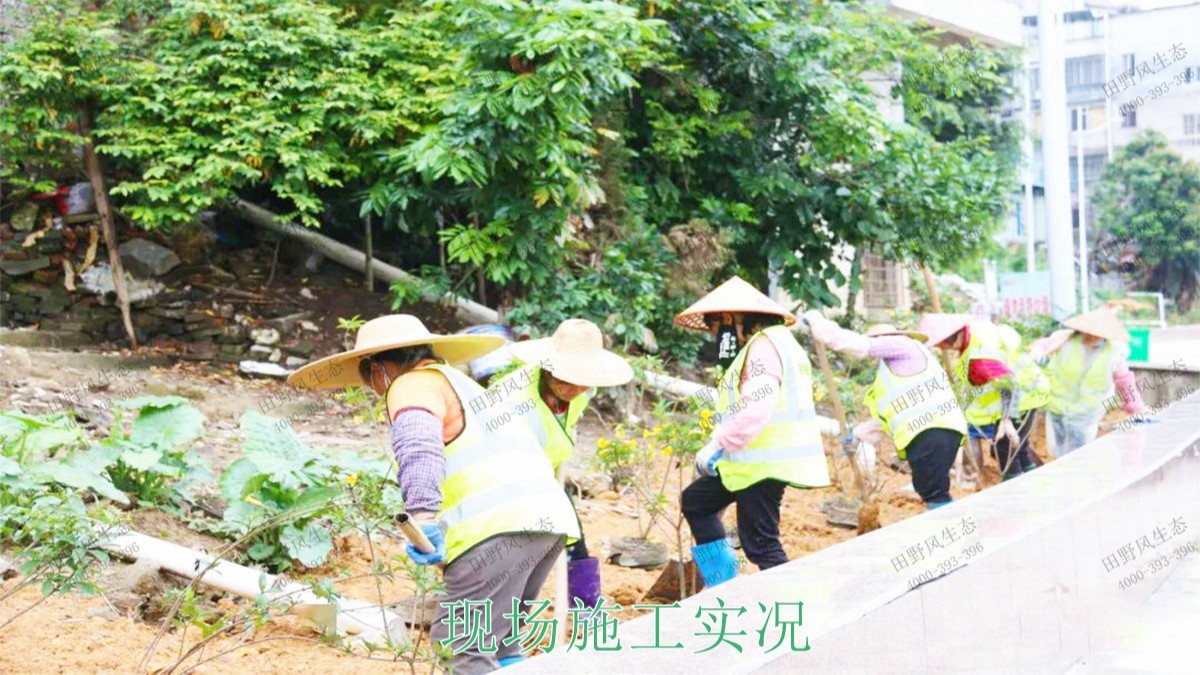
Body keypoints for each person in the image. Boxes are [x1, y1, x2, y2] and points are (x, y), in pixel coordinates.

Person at [288, 314, 580, 674]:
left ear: (378, 369)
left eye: (369, 379)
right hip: (545, 523)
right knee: (501, 645)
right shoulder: (461, 383)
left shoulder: (411, 385)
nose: (375, 389)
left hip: (495, 530)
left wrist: (422, 517)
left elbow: (419, 446)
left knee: (461, 648)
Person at [674, 276, 831, 588]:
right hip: (750, 461)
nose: (719, 338)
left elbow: (758, 405)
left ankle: (792, 610)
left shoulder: (763, 347)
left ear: (730, 319)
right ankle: (722, 584)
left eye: (718, 328)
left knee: (761, 543)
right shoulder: (782, 343)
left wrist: (717, 442)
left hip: (763, 463)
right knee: (696, 501)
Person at [498, 319, 633, 611]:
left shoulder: (582, 390)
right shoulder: (513, 402)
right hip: (506, 484)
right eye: (567, 379)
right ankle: (505, 629)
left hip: (547, 474)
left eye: (583, 379)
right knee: (520, 555)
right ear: (547, 367)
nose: (576, 387)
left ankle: (587, 608)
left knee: (573, 536)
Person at [803, 314, 967, 509]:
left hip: (932, 430)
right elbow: (891, 418)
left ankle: (955, 529)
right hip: (931, 432)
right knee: (929, 489)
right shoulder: (895, 371)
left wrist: (820, 326)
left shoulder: (902, 345)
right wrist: (857, 433)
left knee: (934, 493)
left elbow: (854, 344)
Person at [917, 314, 1050, 481]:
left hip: (1020, 398)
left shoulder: (980, 357)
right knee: (1019, 450)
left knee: (1006, 452)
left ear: (946, 340)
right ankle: (1036, 486)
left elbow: (1008, 383)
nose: (939, 348)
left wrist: (1006, 419)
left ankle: (1017, 492)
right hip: (1030, 390)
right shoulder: (976, 331)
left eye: (939, 344)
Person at [1030, 307, 1146, 455]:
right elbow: (1042, 344)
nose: (1091, 336)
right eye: (1089, 332)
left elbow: (1125, 381)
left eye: (1096, 334)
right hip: (1057, 407)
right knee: (1058, 452)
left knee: (1077, 453)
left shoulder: (1114, 352)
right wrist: (1037, 350)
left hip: (1085, 413)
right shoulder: (1065, 340)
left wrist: (1135, 407)